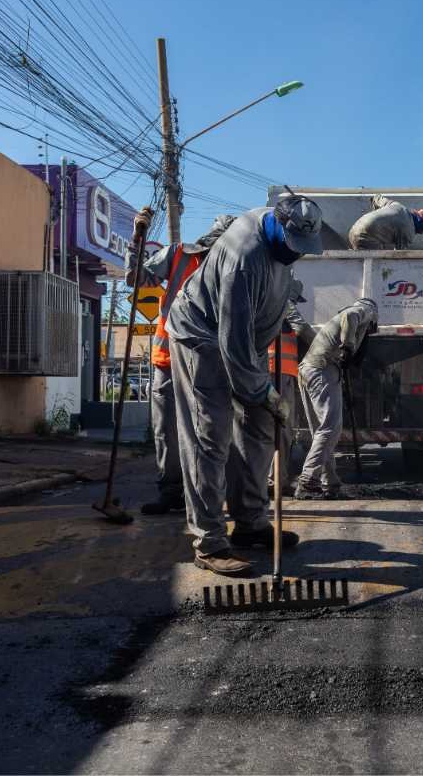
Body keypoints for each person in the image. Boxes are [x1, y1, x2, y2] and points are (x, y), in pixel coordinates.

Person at [166, 195, 325, 576]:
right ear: (278, 228)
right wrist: (263, 392)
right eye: (294, 247)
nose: (297, 255)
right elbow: (231, 344)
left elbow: (248, 335)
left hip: (243, 343)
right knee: (211, 437)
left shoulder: (280, 239)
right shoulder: (243, 260)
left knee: (258, 429)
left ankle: (251, 521)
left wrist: (261, 395)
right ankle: (209, 540)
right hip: (201, 339)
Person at [123, 213, 235, 515]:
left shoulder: (235, 268)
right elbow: (135, 279)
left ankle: (207, 495)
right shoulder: (178, 255)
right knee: (167, 432)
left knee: (210, 433)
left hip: (210, 365)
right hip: (169, 360)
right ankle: (172, 491)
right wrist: (137, 241)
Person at [295, 298, 380, 500]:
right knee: (331, 428)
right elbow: (351, 317)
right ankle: (308, 480)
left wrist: (349, 353)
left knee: (321, 431)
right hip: (322, 369)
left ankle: (330, 483)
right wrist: (348, 346)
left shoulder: (349, 319)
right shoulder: (363, 310)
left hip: (309, 369)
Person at [267, 275, 313, 494]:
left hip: (262, 371)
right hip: (278, 371)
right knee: (282, 427)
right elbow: (302, 329)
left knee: (261, 427)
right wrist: (325, 348)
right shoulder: (284, 302)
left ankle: (261, 480)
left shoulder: (261, 299)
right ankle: (274, 480)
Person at [347, 193, 423, 249]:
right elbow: (398, 256)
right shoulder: (409, 232)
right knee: (380, 265)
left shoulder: (397, 205)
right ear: (421, 227)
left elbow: (376, 198)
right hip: (366, 239)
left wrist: (378, 217)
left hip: (354, 229)